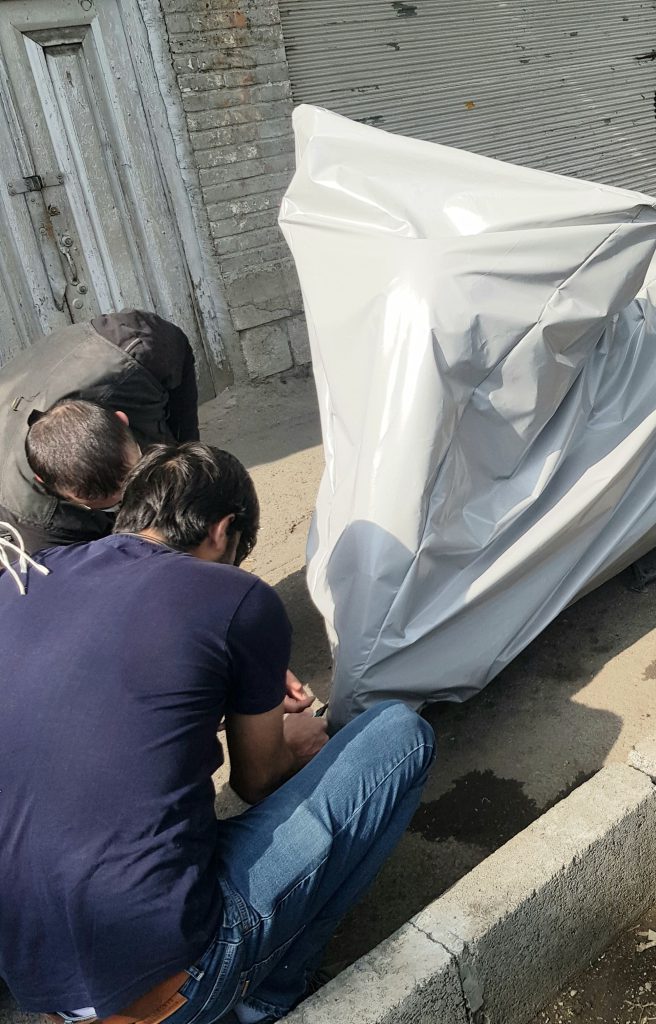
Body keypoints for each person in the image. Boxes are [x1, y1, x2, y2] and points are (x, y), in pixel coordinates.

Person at [0, 442, 435, 1024]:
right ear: (223, 530)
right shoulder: (237, 596)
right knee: (400, 736)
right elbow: (257, 782)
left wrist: (225, 695)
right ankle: (264, 998)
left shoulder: (28, 578)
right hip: (172, 983)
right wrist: (292, 739)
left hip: (41, 988)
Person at [0, 309, 200, 553]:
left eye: (134, 476)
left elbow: (177, 353)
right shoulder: (36, 527)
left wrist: (187, 458)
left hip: (82, 359)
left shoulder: (138, 350)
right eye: (104, 506)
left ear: (122, 419)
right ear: (44, 481)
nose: (126, 502)